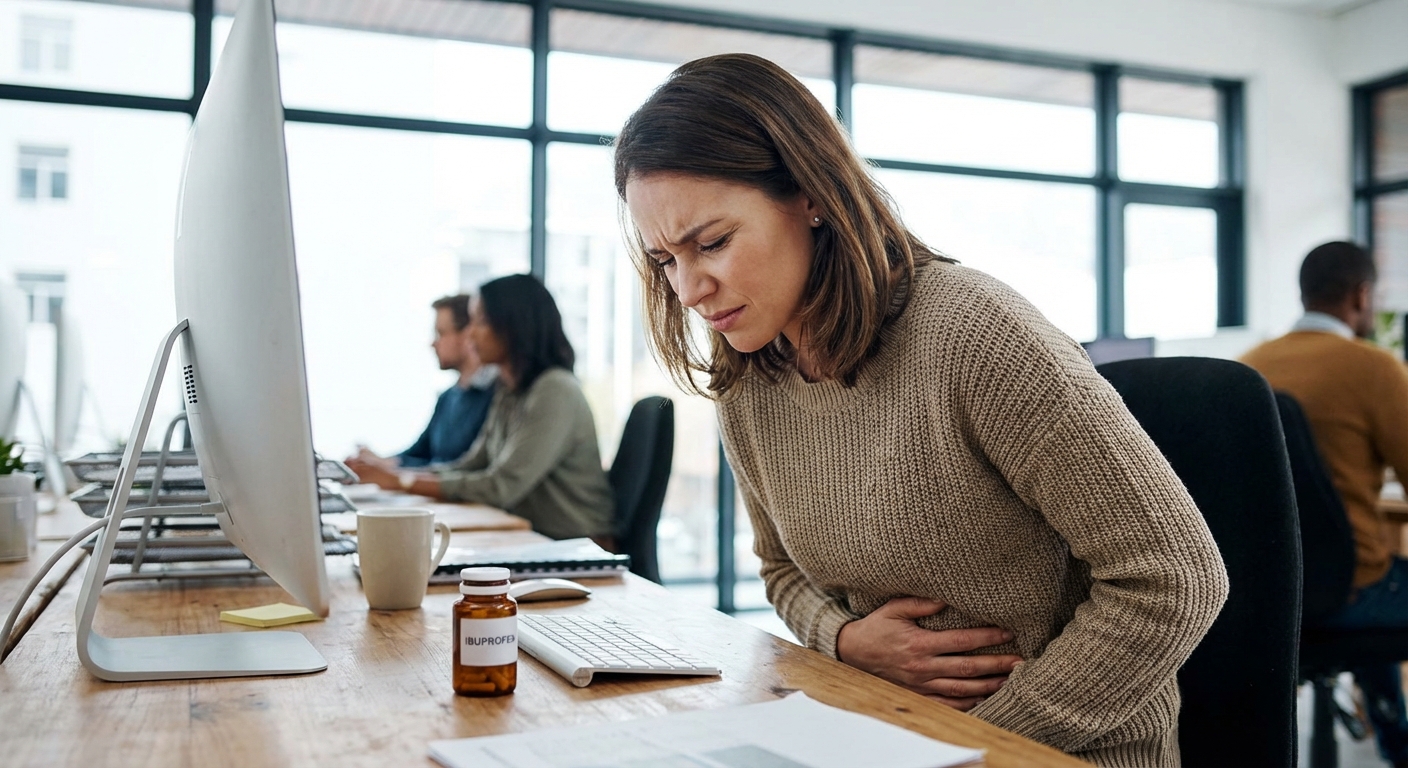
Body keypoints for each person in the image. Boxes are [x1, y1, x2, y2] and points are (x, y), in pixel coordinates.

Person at [615, 53, 1227, 767]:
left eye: (712, 243)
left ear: (811, 195)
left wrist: (974, 744)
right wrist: (843, 639)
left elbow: (1175, 577)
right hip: (880, 734)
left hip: (1055, 753)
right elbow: (781, 571)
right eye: (664, 260)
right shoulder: (750, 377)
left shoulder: (974, 332)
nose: (688, 288)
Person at [1241, 241, 1408, 767]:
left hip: (1267, 594)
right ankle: (1397, 746)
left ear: (1304, 293)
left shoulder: (1247, 367)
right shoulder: (1373, 367)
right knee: (1375, 574)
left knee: (1363, 584)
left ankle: (1394, 739)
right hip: (1350, 592)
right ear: (1362, 295)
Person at [351, 275, 615, 542]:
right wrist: (396, 475)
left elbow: (501, 486)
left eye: (481, 321)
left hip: (577, 543)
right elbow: (472, 464)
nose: (471, 333)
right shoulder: (509, 390)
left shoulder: (555, 390)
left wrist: (401, 481)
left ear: (513, 326)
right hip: (532, 536)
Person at [350, 294, 495, 470]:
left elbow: (461, 467)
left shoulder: (496, 395)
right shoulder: (448, 397)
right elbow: (419, 453)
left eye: (440, 333)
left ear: (467, 335)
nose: (433, 343)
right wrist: (378, 462)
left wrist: (389, 467)